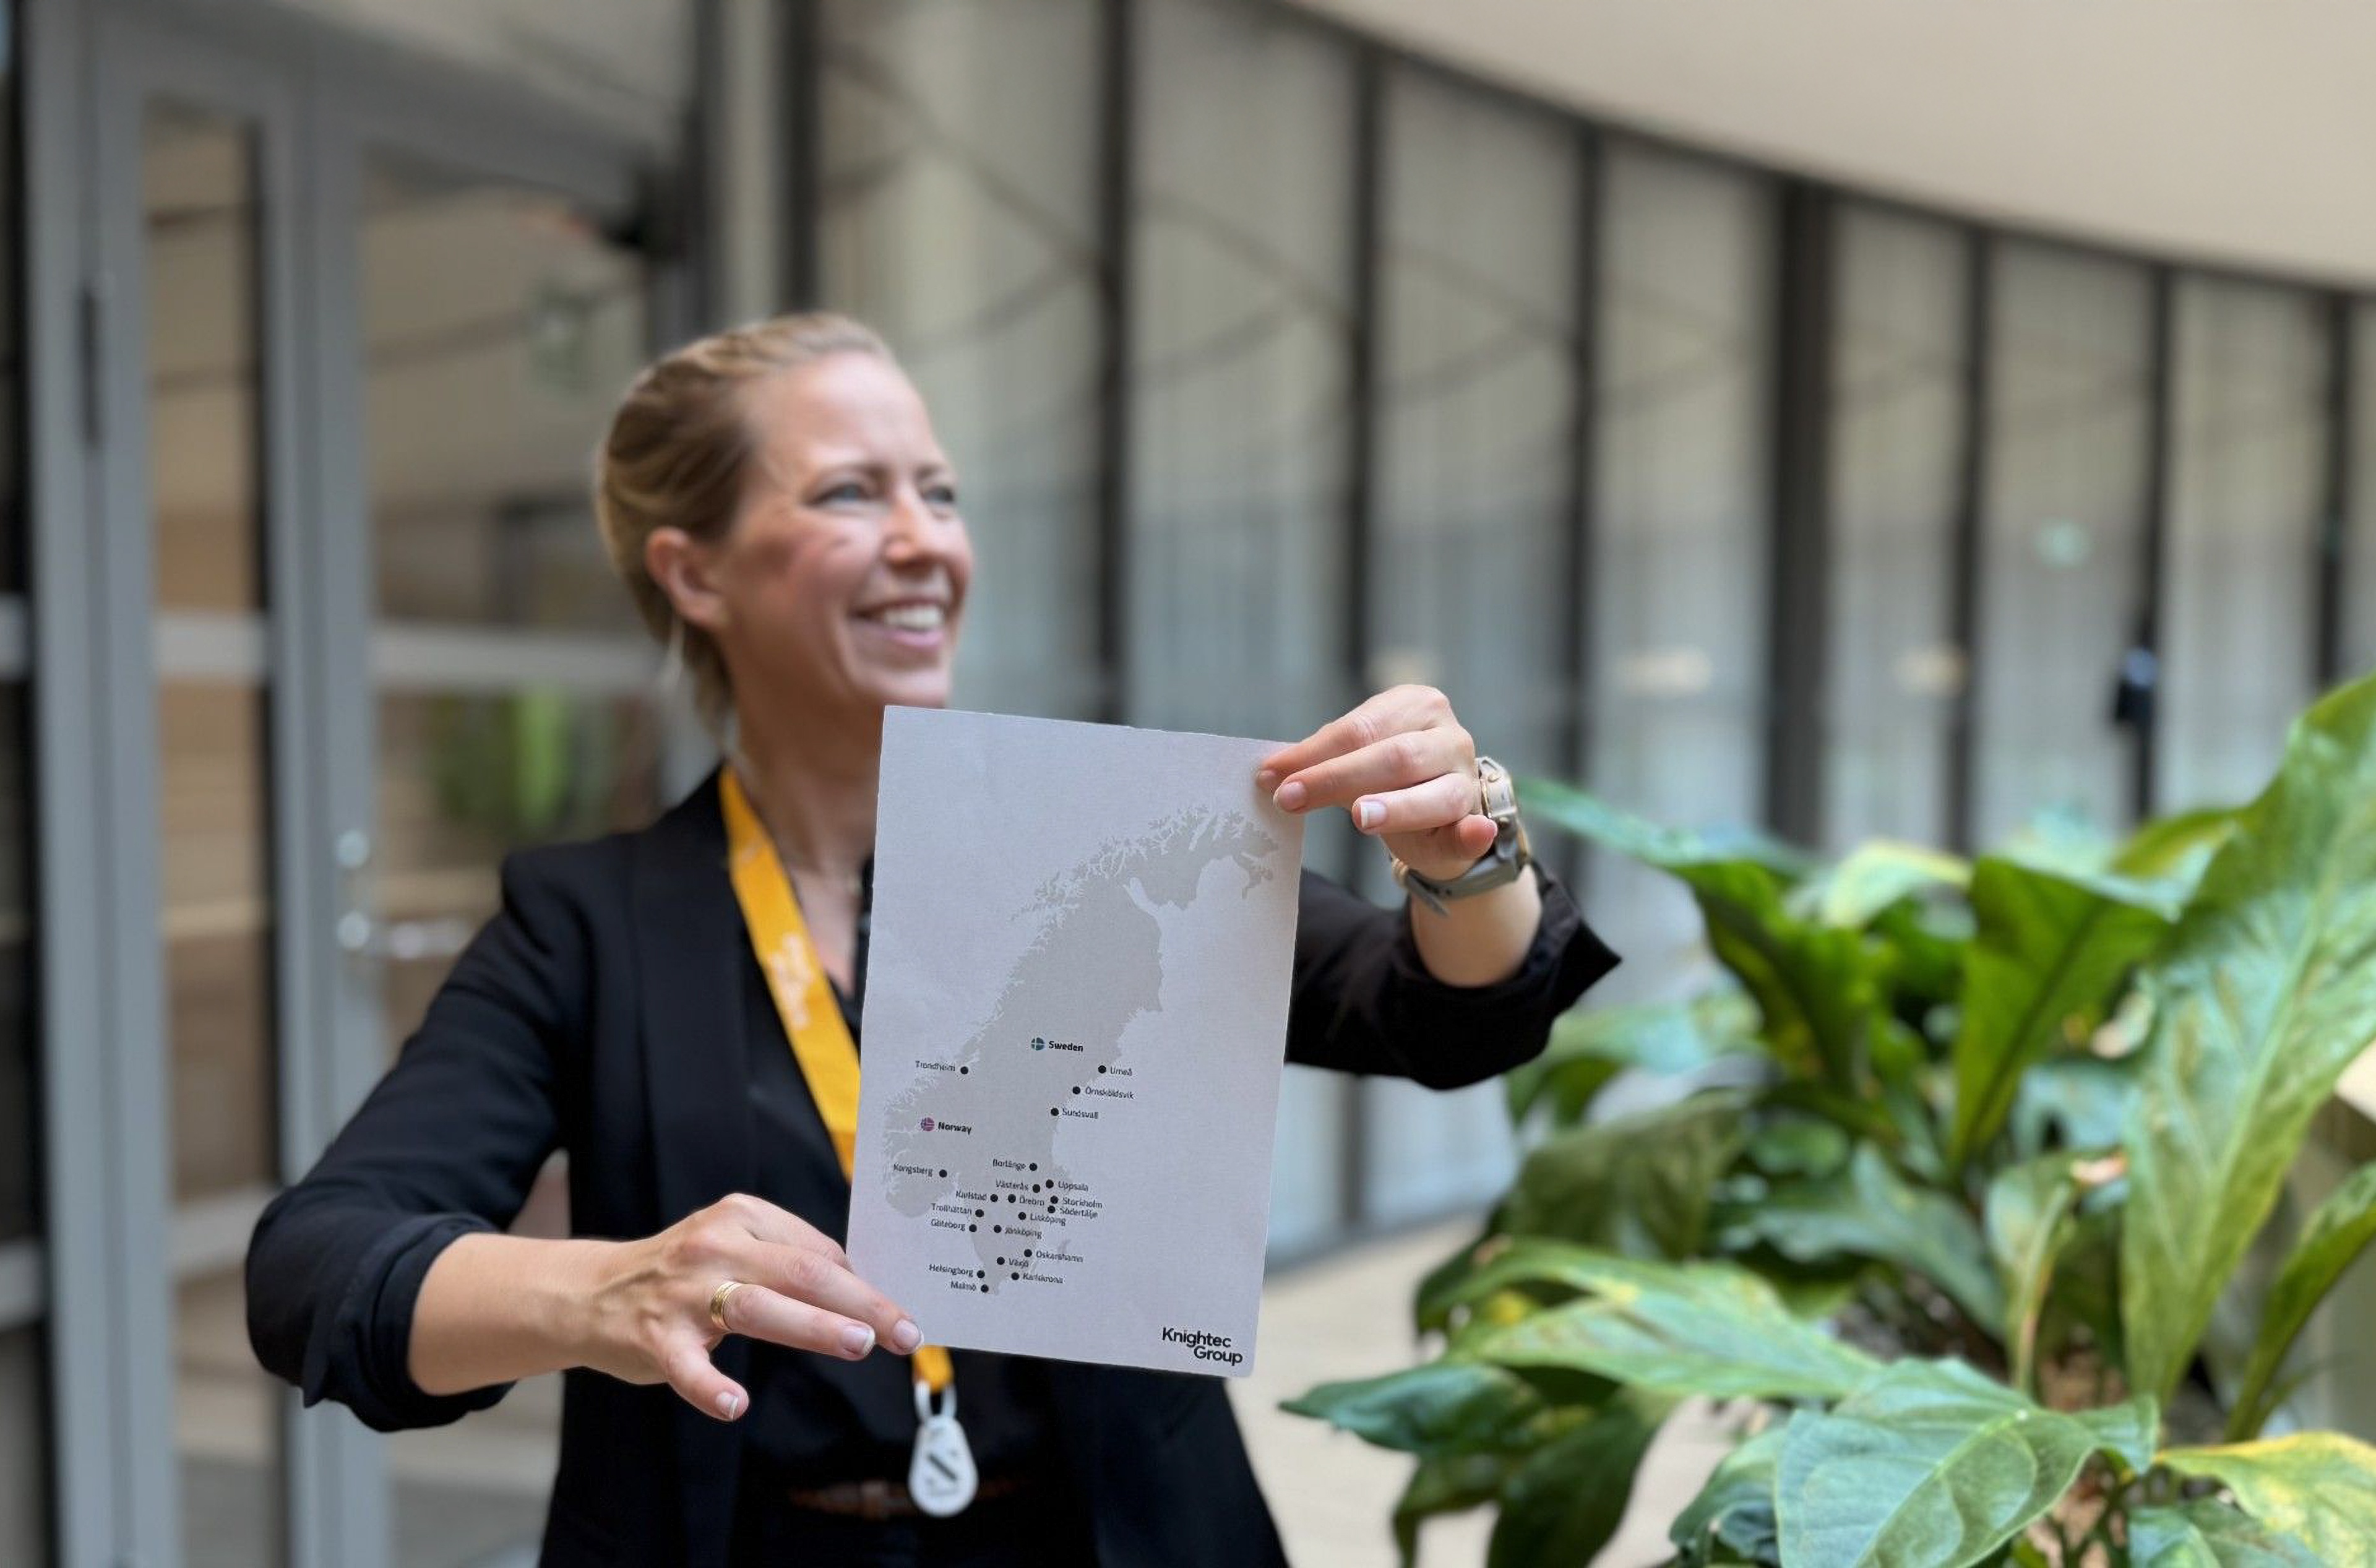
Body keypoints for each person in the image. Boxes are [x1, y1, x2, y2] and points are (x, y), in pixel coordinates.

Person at [246, 312, 1619, 1566]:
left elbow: (1444, 1013)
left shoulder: (1089, 845)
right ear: (696, 571)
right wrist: (607, 1285)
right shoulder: (589, 922)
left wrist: (1467, 856)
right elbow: (318, 1269)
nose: (926, 539)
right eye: (852, 491)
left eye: (940, 492)